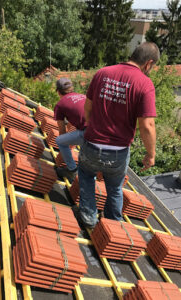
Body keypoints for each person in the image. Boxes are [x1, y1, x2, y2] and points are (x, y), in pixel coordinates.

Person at [78, 42, 160, 229]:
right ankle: (113, 225)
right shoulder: (145, 84)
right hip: (118, 152)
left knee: (86, 176)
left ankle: (89, 218)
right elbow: (147, 125)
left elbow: (87, 108)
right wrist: (150, 154)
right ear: (148, 64)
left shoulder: (103, 73)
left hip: (91, 144)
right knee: (115, 188)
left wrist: (92, 129)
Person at [54, 77, 86, 180]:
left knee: (60, 140)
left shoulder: (60, 104)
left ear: (58, 92)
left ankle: (72, 170)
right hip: (104, 132)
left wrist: (64, 151)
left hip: (88, 133)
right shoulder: (83, 96)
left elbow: (62, 131)